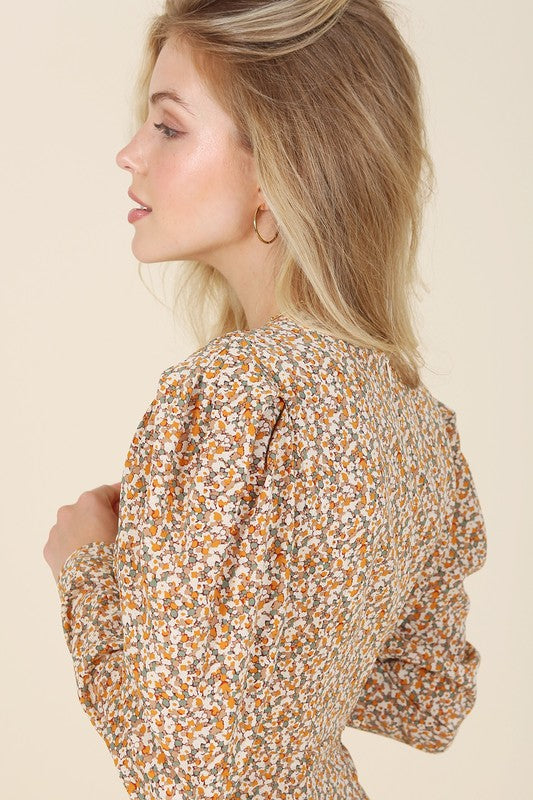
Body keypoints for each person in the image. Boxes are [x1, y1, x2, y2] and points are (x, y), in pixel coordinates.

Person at [43, 2, 488, 798]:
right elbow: (428, 697)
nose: (128, 152)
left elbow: (188, 770)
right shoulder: (412, 416)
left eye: (169, 127)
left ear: (280, 167)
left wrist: (91, 573)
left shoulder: (237, 393)